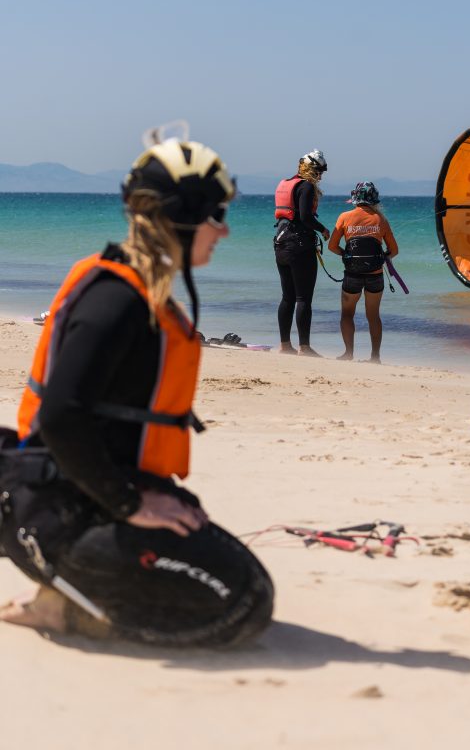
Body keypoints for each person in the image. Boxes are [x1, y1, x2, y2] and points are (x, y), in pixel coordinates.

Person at [0, 137, 274, 645]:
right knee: (243, 604)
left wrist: (157, 495)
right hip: (58, 507)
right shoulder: (117, 299)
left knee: (242, 581)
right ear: (181, 216)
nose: (225, 229)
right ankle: (60, 606)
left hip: (85, 491)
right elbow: (61, 416)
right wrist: (129, 504)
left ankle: (69, 590)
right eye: (216, 214)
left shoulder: (143, 292)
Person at [328, 182, 398, 363]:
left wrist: (347, 255)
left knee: (347, 314)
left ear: (356, 198)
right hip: (375, 275)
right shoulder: (380, 219)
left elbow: (332, 246)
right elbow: (394, 250)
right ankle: (375, 357)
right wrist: (382, 257)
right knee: (373, 316)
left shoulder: (344, 217)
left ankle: (348, 353)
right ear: (373, 199)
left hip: (353, 274)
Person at [273, 149, 330, 356]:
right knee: (303, 298)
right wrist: (323, 229)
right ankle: (304, 347)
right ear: (312, 169)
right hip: (299, 246)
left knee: (287, 297)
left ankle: (285, 345)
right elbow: (306, 217)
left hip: (280, 245)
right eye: (320, 171)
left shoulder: (286, 184)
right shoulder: (305, 187)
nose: (321, 176)